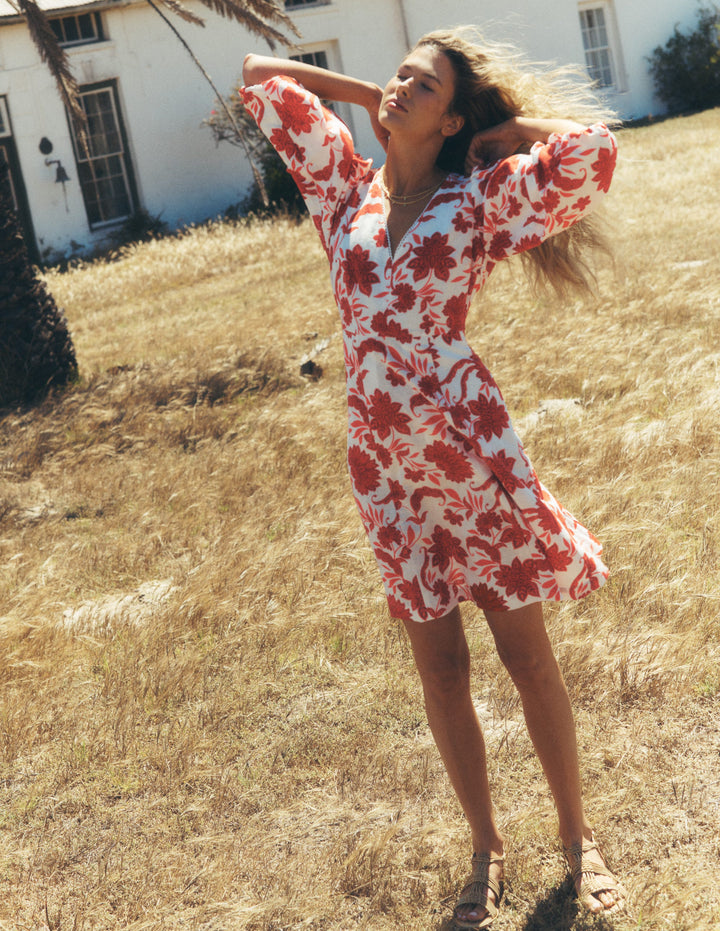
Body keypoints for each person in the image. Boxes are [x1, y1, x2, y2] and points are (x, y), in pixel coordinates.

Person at [242, 26, 626, 929]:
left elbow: (593, 153)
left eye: (425, 84)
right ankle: (485, 852)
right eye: (401, 73)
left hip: (469, 454)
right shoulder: (346, 195)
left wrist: (501, 135)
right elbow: (261, 75)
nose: (402, 86)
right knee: (441, 669)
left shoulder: (478, 200)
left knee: (524, 653)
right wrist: (377, 93)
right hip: (384, 472)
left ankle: (580, 843)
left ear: (452, 116)